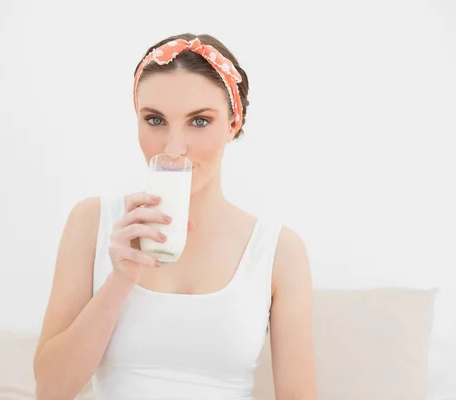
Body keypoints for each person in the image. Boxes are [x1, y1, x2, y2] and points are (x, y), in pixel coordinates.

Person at [33, 32, 317, 399]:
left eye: (199, 121)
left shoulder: (278, 251)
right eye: (155, 120)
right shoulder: (93, 222)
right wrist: (121, 279)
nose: (174, 147)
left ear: (233, 124)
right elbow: (50, 389)